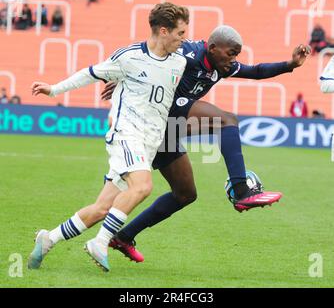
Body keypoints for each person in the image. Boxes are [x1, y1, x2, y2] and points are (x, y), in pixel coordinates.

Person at [101, 27, 311, 263]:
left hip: (165, 130)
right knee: (227, 120)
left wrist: (290, 64)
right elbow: (150, 54)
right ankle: (241, 191)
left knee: (185, 194)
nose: (233, 60)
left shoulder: (223, 66)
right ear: (213, 48)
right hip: (153, 119)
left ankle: (123, 237)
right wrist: (123, 79)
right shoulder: (187, 53)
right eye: (231, 53)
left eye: (236, 55)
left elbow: (257, 71)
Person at [27, 2, 190, 272]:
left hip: (148, 143)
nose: (183, 38)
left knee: (102, 208)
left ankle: (48, 239)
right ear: (164, 31)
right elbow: (90, 74)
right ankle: (101, 242)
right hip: (126, 134)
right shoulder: (128, 57)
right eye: (180, 33)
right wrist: (54, 89)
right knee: (143, 186)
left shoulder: (180, 60)